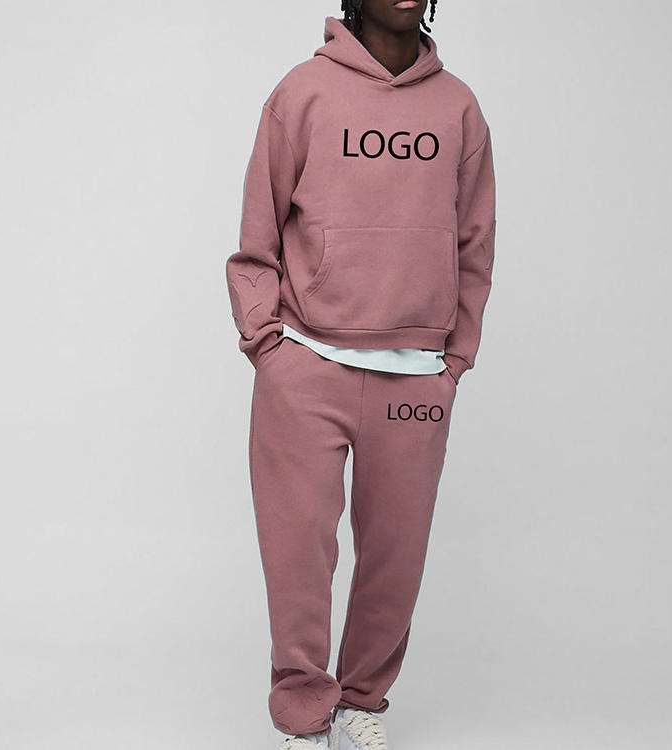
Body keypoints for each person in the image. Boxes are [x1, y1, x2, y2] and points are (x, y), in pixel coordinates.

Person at [225, 1, 496, 747]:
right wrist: (266, 342)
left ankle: (362, 703)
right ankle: (302, 712)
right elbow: (256, 234)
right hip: (306, 363)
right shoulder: (302, 93)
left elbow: (475, 243)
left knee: (395, 556)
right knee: (297, 555)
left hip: (416, 374)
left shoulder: (458, 107)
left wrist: (455, 360)